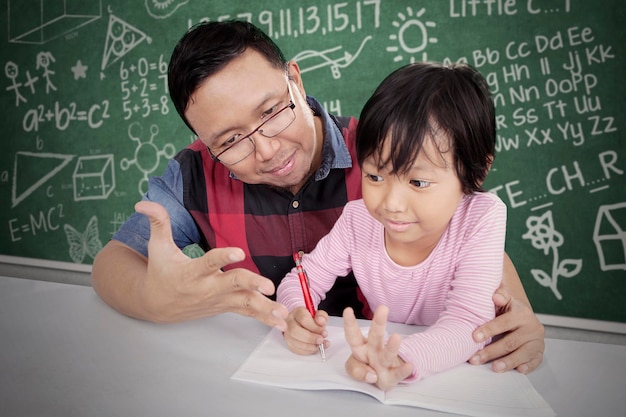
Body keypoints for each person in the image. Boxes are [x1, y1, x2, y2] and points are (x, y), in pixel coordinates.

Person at [91, 20, 544, 374]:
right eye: (229, 140)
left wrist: (516, 309)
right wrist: (158, 299)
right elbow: (111, 264)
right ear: (203, 141)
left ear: (295, 80)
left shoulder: (385, 153)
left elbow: (462, 232)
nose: (266, 149)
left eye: (271, 111)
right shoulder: (191, 175)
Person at [278, 62, 508, 389]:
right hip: (383, 370)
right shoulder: (358, 220)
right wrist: (295, 315)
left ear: (477, 172)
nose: (391, 203)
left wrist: (400, 358)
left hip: (464, 379)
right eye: (375, 176)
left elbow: (469, 323)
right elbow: (301, 280)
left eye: (418, 181)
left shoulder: (482, 217)